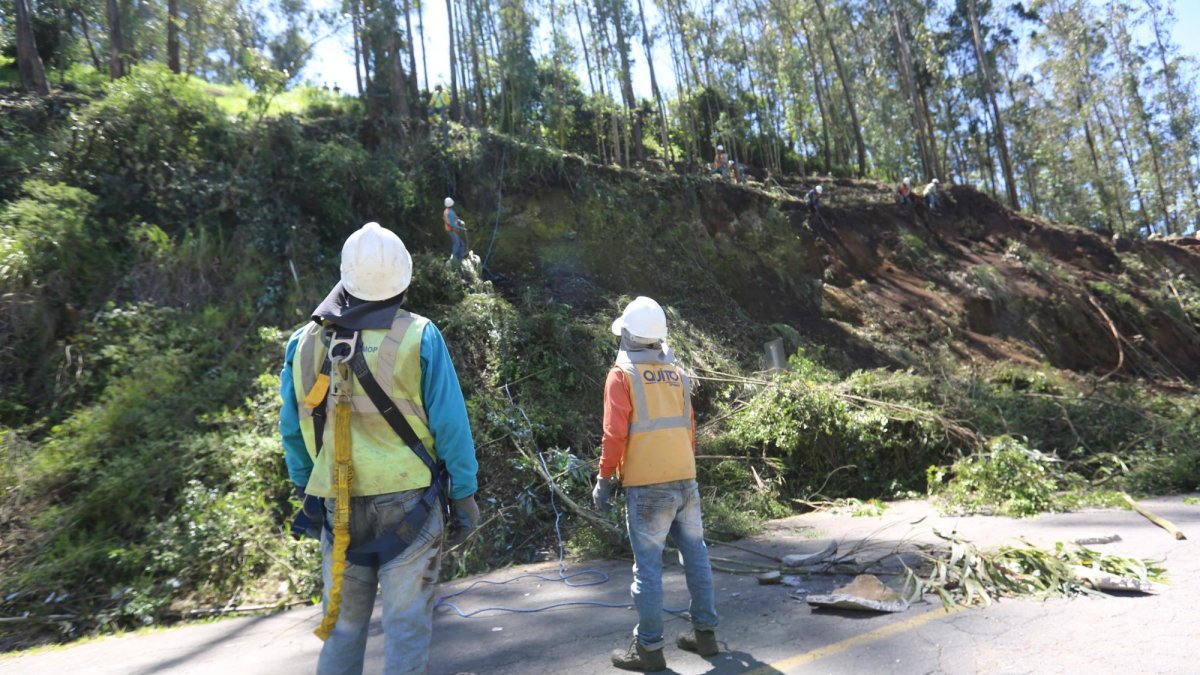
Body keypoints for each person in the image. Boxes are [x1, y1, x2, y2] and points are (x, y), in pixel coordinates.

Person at [279, 222, 481, 675]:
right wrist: (463, 493)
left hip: (337, 502)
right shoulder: (420, 335)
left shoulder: (303, 342)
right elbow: (451, 425)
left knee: (343, 628)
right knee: (406, 627)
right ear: (403, 278)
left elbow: (292, 431)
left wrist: (307, 487)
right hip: (411, 504)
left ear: (346, 276)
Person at [594, 296, 718, 672]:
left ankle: (648, 648)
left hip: (648, 488)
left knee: (647, 568)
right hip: (686, 479)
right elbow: (689, 428)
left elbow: (614, 435)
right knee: (696, 555)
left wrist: (604, 478)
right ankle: (706, 635)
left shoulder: (622, 375)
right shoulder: (678, 373)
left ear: (629, 335)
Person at [444, 197, 466, 262]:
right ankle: (453, 259)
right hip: (452, 230)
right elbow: (452, 224)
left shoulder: (447, 211)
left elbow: (454, 218)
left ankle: (460, 259)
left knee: (461, 244)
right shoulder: (450, 212)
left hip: (450, 230)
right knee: (457, 244)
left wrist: (459, 221)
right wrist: (462, 228)